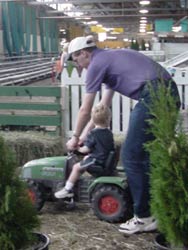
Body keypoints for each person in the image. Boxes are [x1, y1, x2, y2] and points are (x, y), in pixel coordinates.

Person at [64, 35, 181, 235]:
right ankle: (160, 209)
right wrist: (84, 135)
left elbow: (86, 108)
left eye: (77, 62)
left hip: (152, 93)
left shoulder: (96, 64)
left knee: (131, 155)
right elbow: (103, 106)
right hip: (168, 91)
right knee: (152, 154)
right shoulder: (111, 59)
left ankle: (143, 217)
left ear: (83, 53)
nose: (80, 67)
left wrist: (74, 138)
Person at [54, 103, 115, 199]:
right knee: (86, 159)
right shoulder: (109, 133)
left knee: (76, 167)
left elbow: (86, 149)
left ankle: (67, 189)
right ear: (108, 119)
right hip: (104, 160)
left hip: (97, 161)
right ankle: (74, 183)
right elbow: (102, 148)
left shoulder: (93, 133)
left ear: (93, 120)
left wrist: (77, 148)